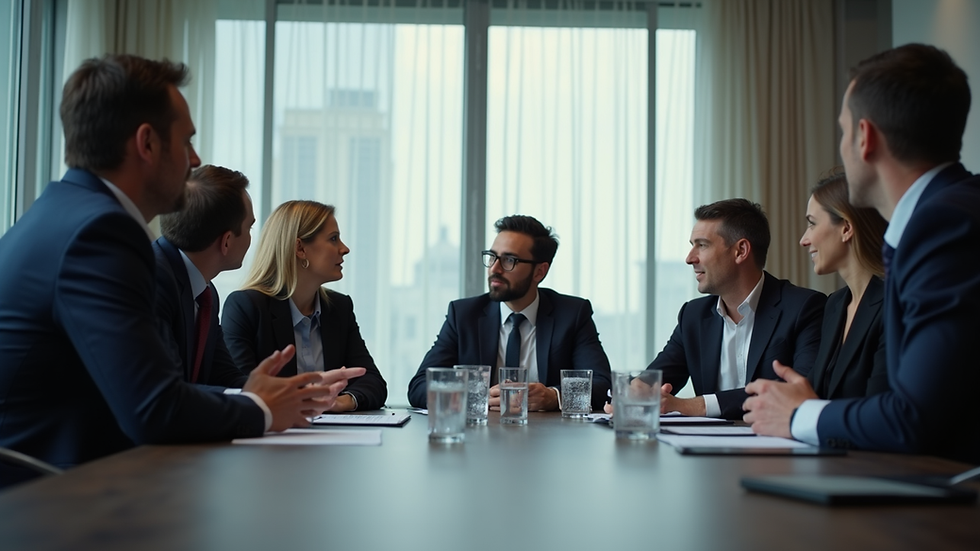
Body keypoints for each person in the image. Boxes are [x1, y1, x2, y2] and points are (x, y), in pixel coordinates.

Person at [0, 55, 362, 486]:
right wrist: (262, 408)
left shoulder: (62, 211)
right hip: (48, 495)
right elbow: (155, 407)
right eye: (187, 140)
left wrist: (271, 394)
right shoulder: (102, 233)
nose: (195, 160)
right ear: (147, 143)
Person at [743, 44, 980, 463]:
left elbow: (911, 418)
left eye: (843, 131)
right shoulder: (952, 211)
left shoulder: (943, 227)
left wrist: (799, 414)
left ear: (865, 138)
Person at [638, 199, 826, 420]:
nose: (690, 258)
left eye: (702, 245)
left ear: (741, 251)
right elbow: (653, 380)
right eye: (692, 245)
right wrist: (634, 395)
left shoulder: (805, 307)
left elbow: (797, 391)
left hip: (775, 449)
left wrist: (694, 405)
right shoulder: (693, 315)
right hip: (705, 451)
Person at [407, 215, 612, 412]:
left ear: (539, 272)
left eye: (509, 260)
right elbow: (419, 386)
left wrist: (553, 397)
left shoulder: (572, 314)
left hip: (551, 440)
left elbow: (603, 385)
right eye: (492, 257)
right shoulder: (463, 315)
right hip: (479, 440)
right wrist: (475, 397)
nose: (494, 268)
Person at [222, 201, 388, 411]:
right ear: (300, 248)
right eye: (333, 239)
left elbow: (372, 381)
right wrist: (306, 399)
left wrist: (339, 402)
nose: (344, 249)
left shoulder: (339, 308)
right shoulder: (246, 307)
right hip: (270, 438)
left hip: (331, 438)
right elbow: (242, 388)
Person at [154, 165, 255, 389]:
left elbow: (224, 377)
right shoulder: (153, 282)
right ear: (227, 241)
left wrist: (286, 393)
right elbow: (167, 391)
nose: (251, 238)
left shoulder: (205, 293)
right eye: (250, 228)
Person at [800, 167, 888, 399]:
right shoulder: (835, 304)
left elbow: (879, 409)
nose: (804, 240)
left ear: (846, 228)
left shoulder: (894, 303)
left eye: (812, 224)